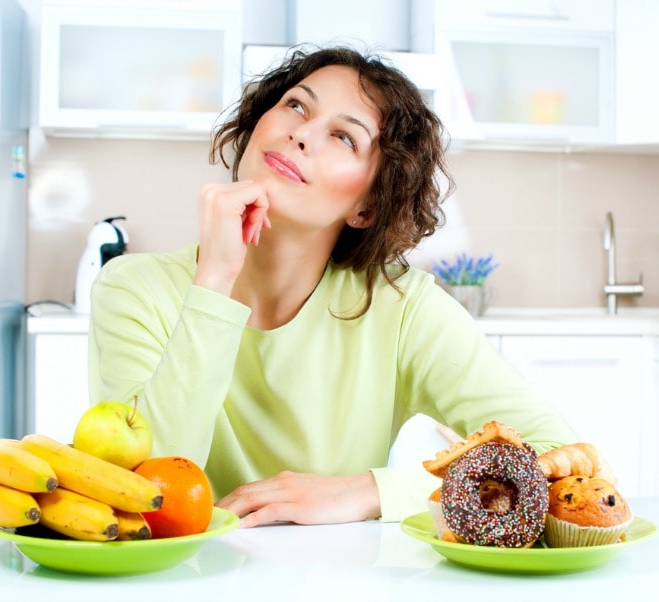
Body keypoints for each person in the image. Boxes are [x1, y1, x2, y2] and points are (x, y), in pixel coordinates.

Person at [87, 46, 576, 528]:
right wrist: (213, 281)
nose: (300, 133)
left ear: (366, 207)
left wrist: (369, 491)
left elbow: (561, 459)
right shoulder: (133, 288)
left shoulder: (400, 307)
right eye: (296, 105)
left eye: (344, 137)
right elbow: (143, 494)